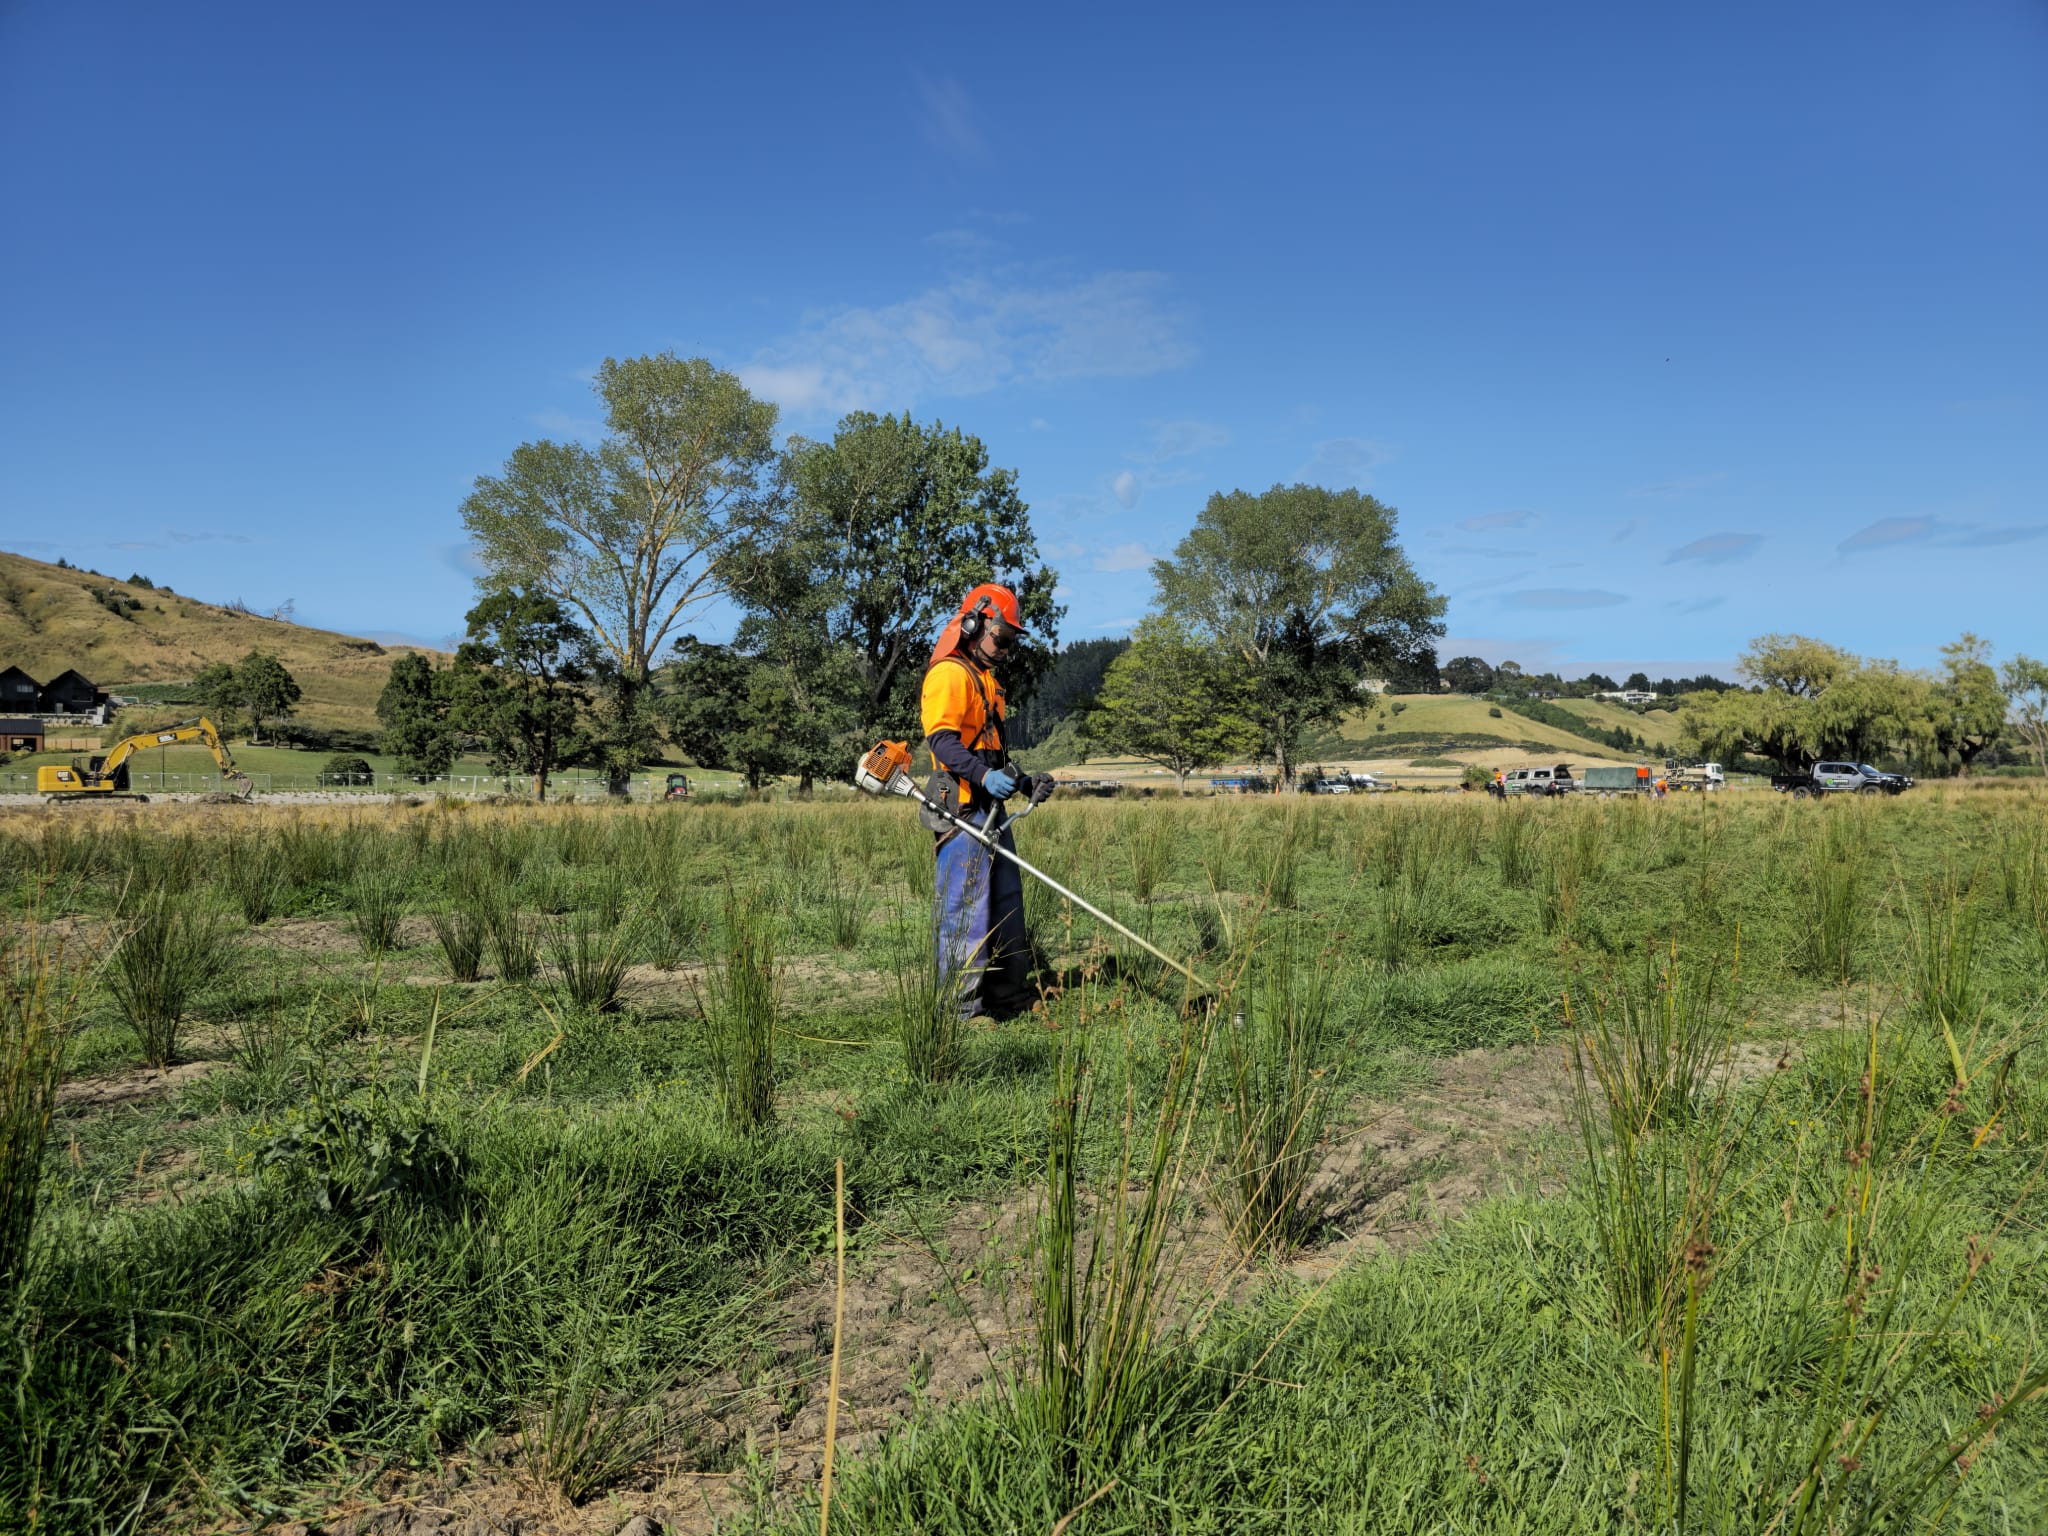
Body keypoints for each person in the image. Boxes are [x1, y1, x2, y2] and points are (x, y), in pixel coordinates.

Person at [921, 583, 1053, 1019]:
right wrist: (983, 777)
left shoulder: (987, 682)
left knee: (1006, 901)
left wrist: (1023, 781)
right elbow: (942, 741)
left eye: (1012, 641)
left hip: (993, 809)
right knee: (965, 909)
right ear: (974, 624)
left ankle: (1007, 993)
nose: (1006, 648)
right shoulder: (949, 674)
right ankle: (960, 1010)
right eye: (1002, 636)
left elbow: (993, 753)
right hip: (962, 809)